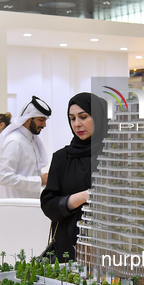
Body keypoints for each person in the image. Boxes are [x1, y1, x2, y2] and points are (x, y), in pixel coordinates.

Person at [40, 92, 108, 261]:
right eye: (72, 118)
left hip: (108, 244)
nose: (77, 124)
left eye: (83, 117)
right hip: (69, 245)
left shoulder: (115, 155)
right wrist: (82, 197)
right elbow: (49, 205)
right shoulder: (62, 158)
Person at [0, 96, 51, 198]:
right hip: (15, 207)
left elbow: (29, 173)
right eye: (41, 120)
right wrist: (39, 180)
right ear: (28, 119)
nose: (44, 125)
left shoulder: (32, 141)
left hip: (29, 205)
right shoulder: (14, 141)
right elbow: (4, 177)